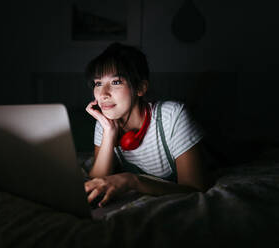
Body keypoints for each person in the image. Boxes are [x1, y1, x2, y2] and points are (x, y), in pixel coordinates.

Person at [84, 42, 210, 208]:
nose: (103, 94)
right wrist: (109, 131)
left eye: (116, 82)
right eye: (98, 83)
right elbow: (97, 182)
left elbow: (196, 190)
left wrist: (133, 181)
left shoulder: (172, 116)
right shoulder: (104, 122)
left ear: (140, 88)